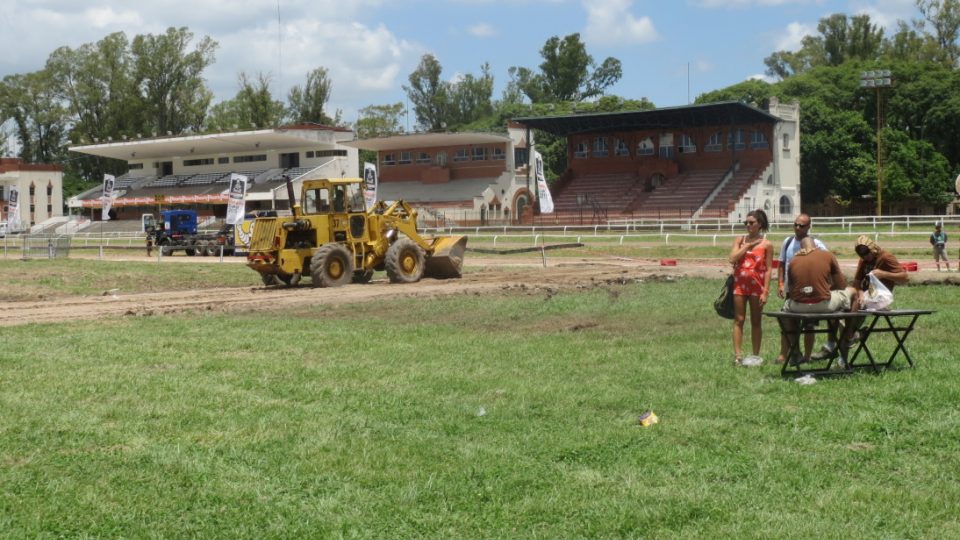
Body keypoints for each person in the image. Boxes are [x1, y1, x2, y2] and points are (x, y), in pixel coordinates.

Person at [783, 237, 860, 364]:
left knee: (786, 310)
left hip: (798, 306)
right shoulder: (827, 255)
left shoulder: (793, 260)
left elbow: (790, 291)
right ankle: (849, 335)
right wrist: (826, 288)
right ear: (816, 246)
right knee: (853, 292)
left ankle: (795, 351)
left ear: (801, 249)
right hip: (824, 304)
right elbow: (841, 285)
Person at [775, 213, 827, 363]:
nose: (797, 228)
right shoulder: (788, 241)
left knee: (808, 325)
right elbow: (781, 263)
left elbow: (826, 263)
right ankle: (784, 354)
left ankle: (807, 355)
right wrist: (780, 283)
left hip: (810, 292)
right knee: (787, 322)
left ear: (809, 227)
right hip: (791, 290)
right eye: (795, 224)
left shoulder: (817, 244)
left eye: (801, 225)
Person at [728, 209, 774, 366]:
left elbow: (768, 270)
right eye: (746, 222)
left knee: (756, 321)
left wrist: (766, 291)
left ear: (759, 224)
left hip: (757, 287)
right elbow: (732, 258)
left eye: (751, 223)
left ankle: (755, 355)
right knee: (738, 319)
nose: (748, 225)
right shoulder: (740, 240)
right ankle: (738, 355)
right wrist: (747, 246)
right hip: (740, 285)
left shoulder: (767, 244)